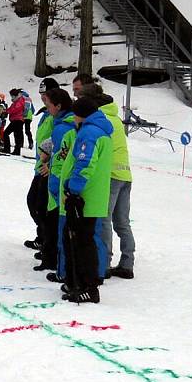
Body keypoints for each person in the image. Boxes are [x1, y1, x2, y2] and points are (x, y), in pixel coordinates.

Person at [58, 97, 113, 304]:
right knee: (79, 240)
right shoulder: (100, 131)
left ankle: (89, 287)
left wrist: (72, 189)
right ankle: (78, 282)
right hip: (92, 198)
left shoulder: (89, 133)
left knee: (82, 242)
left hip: (85, 198)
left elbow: (85, 164)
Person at [79, 83, 136, 279]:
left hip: (110, 175)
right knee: (122, 222)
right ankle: (128, 263)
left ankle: (104, 262)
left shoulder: (99, 119)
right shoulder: (115, 117)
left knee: (104, 220)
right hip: (125, 174)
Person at [43, 88, 76, 274]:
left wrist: (55, 184)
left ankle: (54, 261)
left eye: (49, 105)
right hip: (56, 177)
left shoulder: (64, 127)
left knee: (53, 223)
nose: (47, 109)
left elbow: (60, 157)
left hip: (57, 181)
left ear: (59, 106)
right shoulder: (63, 124)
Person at [25, 78, 59, 250]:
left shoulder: (56, 115)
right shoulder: (46, 114)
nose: (43, 98)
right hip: (40, 167)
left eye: (45, 95)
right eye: (41, 95)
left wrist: (51, 162)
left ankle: (47, 239)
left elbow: (60, 141)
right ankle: (43, 236)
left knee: (40, 205)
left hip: (49, 168)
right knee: (34, 203)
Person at [3, 88, 26, 155]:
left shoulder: (20, 101)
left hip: (17, 120)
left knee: (7, 133)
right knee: (16, 135)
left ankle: (9, 149)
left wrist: (7, 111)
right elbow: (12, 108)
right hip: (17, 120)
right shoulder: (17, 101)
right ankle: (16, 150)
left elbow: (15, 109)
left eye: (12, 96)